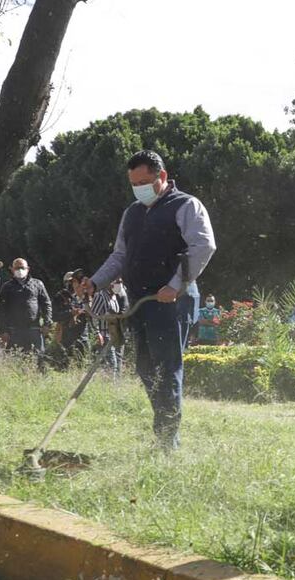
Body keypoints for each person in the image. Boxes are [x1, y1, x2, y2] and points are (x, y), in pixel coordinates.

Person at [85, 150, 216, 450]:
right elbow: (120, 255)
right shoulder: (132, 212)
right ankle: (164, 427)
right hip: (140, 302)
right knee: (145, 368)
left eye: (145, 181)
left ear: (163, 177)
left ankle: (168, 440)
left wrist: (175, 285)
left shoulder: (186, 205)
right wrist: (95, 282)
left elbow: (203, 246)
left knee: (166, 368)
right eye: (134, 183)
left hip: (172, 301)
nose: (139, 188)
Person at [0, 258, 52, 354]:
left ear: (28, 269)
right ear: (12, 269)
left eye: (22, 267)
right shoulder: (7, 287)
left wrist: (47, 324)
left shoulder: (37, 284)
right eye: (17, 268)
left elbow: (46, 304)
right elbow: (0, 310)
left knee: (38, 358)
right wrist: (3, 330)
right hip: (13, 330)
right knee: (14, 358)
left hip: (34, 329)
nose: (20, 270)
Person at [52, 269, 92, 366]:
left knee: (84, 364)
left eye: (73, 282)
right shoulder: (59, 297)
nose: (71, 284)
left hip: (83, 336)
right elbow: (54, 316)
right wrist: (71, 313)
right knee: (65, 365)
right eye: (69, 282)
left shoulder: (84, 296)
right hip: (66, 337)